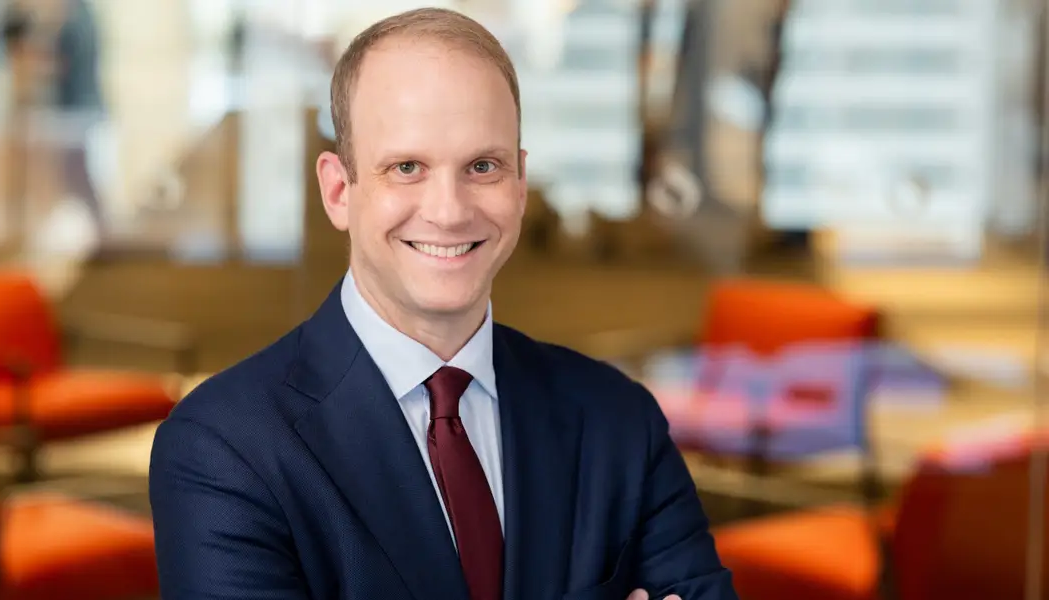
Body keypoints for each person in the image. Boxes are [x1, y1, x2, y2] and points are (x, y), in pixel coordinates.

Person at [149, 8, 737, 600]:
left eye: (483, 167)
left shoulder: (620, 421)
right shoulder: (224, 447)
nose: (450, 211)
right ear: (338, 190)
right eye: (407, 168)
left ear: (520, 184)